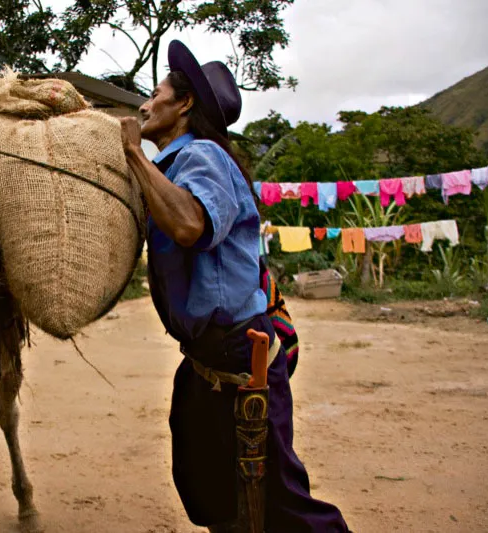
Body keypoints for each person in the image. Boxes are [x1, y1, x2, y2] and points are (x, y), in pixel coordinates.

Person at [119, 40, 350, 532]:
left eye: (157, 91)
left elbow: (189, 226)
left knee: (285, 504)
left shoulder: (203, 155)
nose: (145, 102)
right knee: (210, 492)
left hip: (243, 358)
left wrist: (134, 155)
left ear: (183, 104)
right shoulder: (173, 169)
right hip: (203, 360)